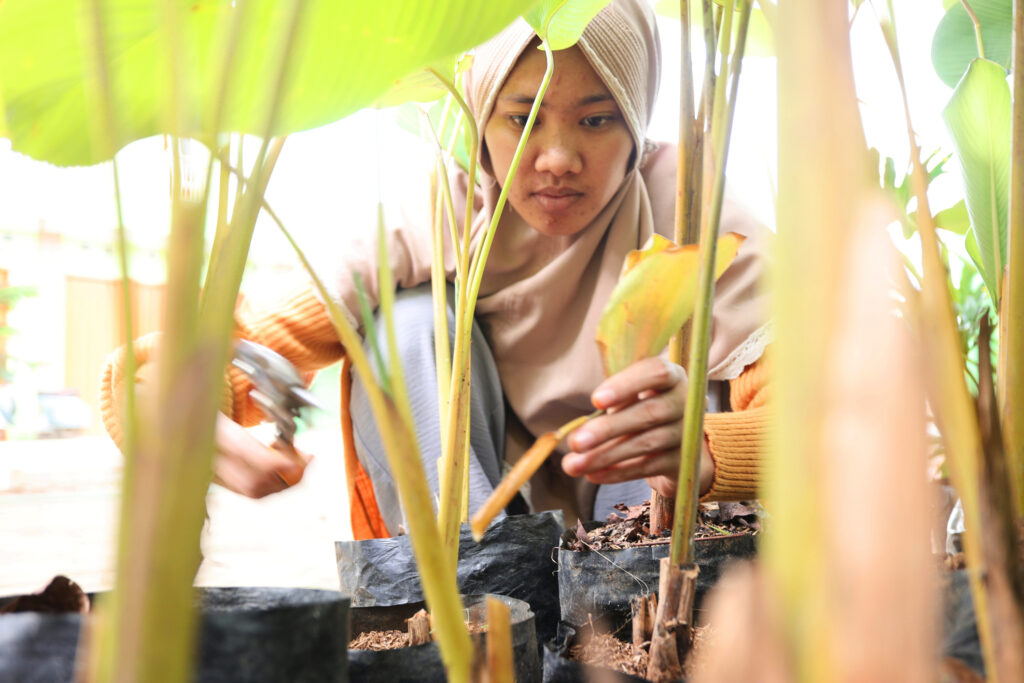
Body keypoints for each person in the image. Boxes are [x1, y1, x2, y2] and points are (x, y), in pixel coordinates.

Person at [101, 0, 770, 538]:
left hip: (656, 524)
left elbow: (814, 415)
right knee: (408, 320)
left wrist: (707, 449)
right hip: (488, 510)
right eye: (523, 119)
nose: (558, 158)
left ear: (637, 121)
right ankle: (469, 584)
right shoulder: (439, 211)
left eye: (596, 120)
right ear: (480, 120)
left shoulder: (695, 209)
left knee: (689, 368)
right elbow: (237, 351)